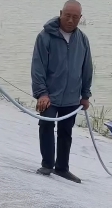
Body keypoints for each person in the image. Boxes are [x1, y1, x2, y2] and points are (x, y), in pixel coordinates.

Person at [31, 0, 93, 184]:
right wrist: (41, 93)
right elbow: (37, 67)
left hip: (72, 97)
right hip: (49, 95)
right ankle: (47, 164)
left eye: (75, 17)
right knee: (46, 126)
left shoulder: (83, 40)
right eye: (67, 15)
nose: (71, 20)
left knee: (66, 132)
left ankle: (62, 168)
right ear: (60, 13)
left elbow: (87, 69)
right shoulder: (45, 37)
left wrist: (85, 95)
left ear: (80, 18)